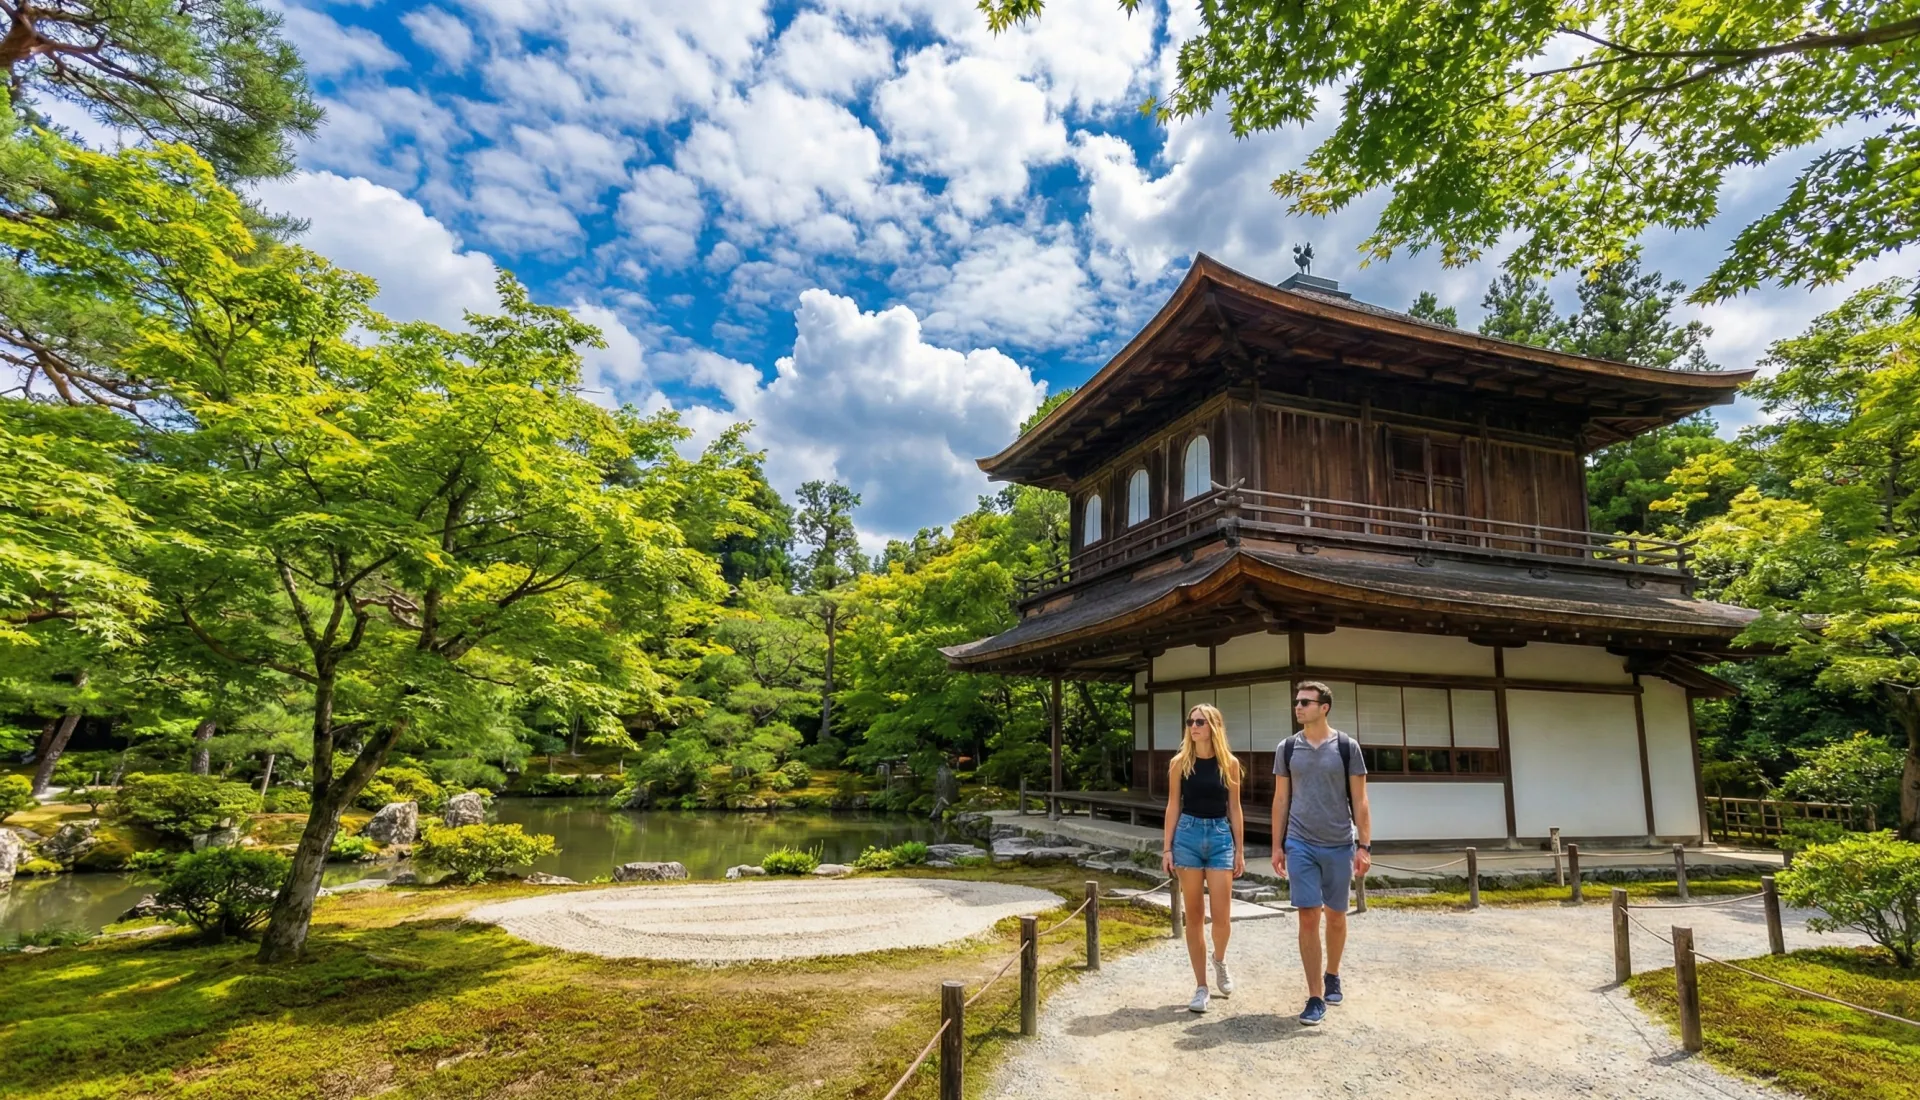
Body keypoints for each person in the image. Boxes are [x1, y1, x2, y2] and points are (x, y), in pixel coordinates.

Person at [1270, 680, 1371, 1026]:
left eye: (1305, 702)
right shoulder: (1286, 748)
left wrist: (1365, 846)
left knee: (1337, 915)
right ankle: (1314, 995)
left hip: (1340, 841)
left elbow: (1360, 800)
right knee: (1308, 915)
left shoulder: (1346, 747)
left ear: (1323, 707)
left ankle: (1333, 973)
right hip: (1299, 841)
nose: (1298, 707)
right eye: (1297, 701)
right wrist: (1277, 845)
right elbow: (1281, 799)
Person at [1161, 702, 1246, 1013]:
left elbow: (1235, 808)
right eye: (1190, 721)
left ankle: (1219, 960)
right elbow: (1173, 805)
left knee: (1222, 917)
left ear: (1213, 726)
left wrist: (1240, 848)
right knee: (1194, 917)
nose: (1193, 726)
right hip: (1188, 836)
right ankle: (1201, 986)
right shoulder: (1179, 763)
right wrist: (1167, 847)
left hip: (1221, 836)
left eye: (1200, 721)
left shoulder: (1230, 764)